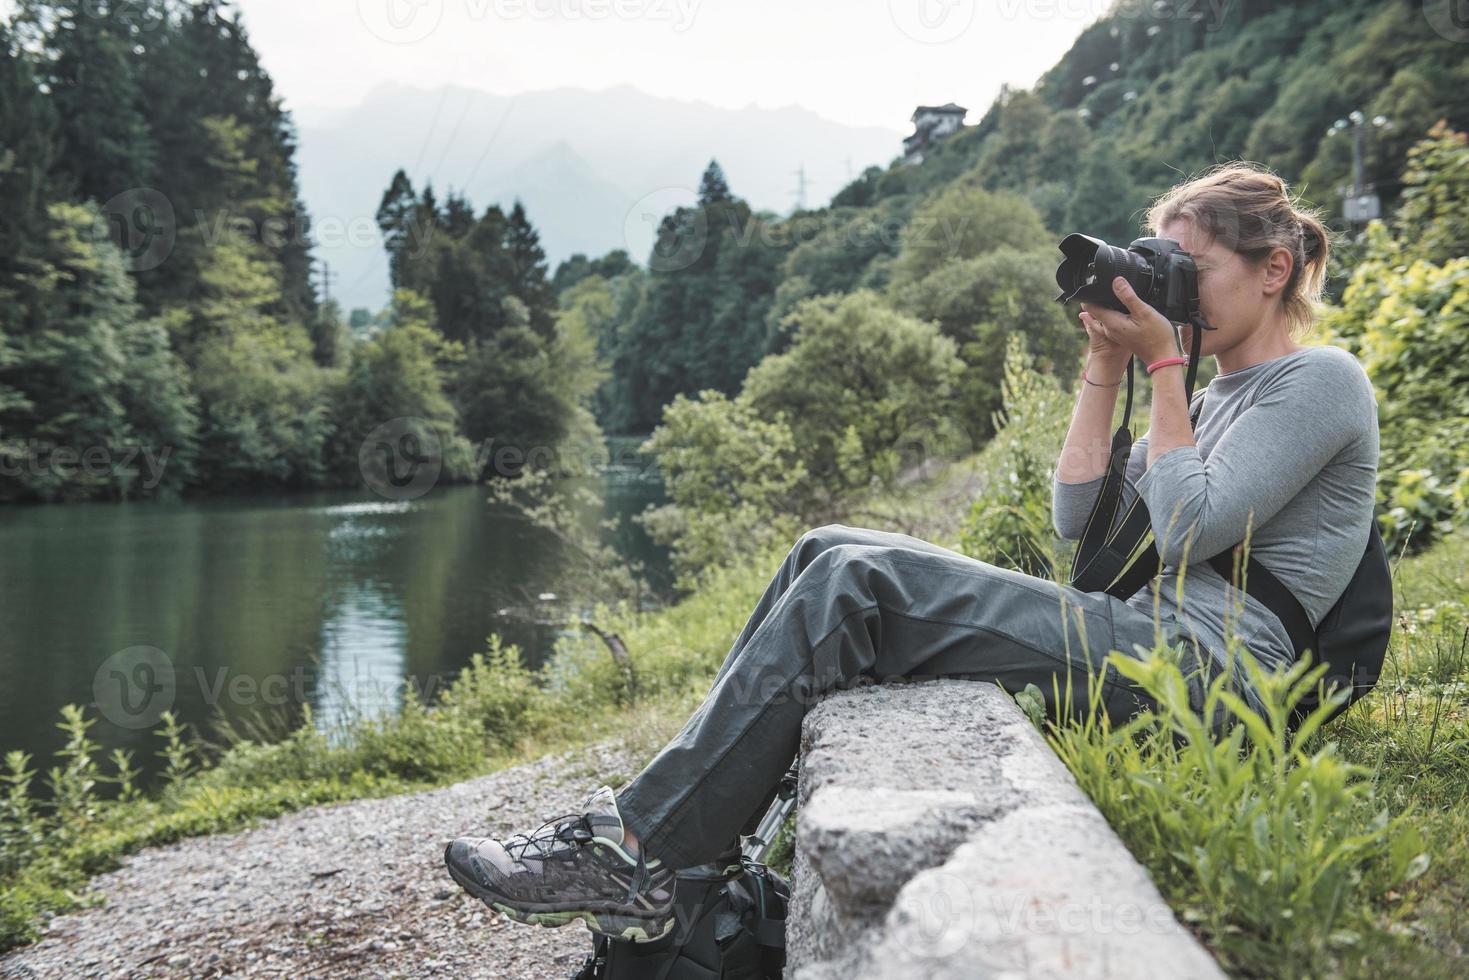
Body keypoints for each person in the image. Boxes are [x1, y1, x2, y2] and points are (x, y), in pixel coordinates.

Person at [441, 162, 1381, 944]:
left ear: (1273, 270)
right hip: (1146, 636)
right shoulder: (1209, 396)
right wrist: (1104, 365)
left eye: (1191, 268)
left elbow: (1184, 531)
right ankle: (679, 844)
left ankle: (636, 852)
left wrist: (1164, 366)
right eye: (1157, 266)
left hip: (1213, 677)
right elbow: (1078, 517)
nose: (1170, 287)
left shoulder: (1320, 381)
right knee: (828, 544)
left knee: (861, 584)